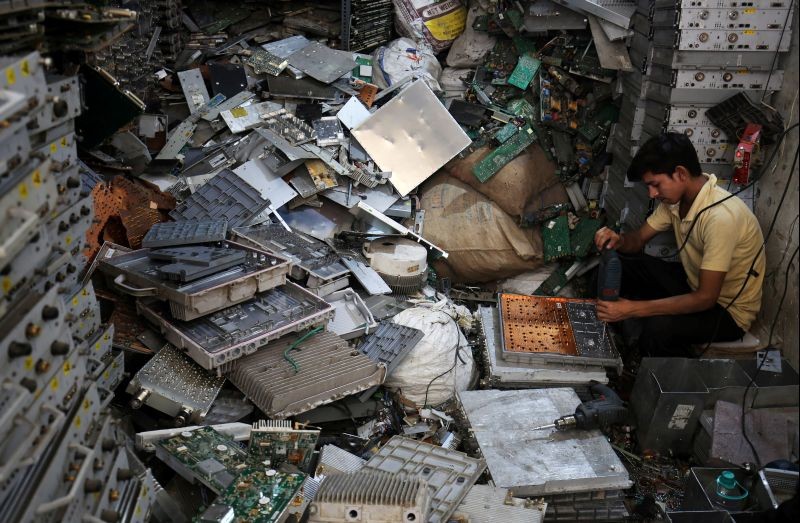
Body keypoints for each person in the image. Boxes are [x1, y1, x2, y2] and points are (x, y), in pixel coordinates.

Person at [593, 132, 765, 356]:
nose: (652, 194)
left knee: (658, 330)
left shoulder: (720, 218)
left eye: (655, 185)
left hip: (727, 312)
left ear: (681, 174)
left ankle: (651, 374)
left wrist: (632, 310)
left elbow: (705, 298)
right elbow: (637, 241)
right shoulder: (676, 201)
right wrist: (618, 240)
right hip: (693, 283)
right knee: (623, 264)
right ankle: (598, 332)